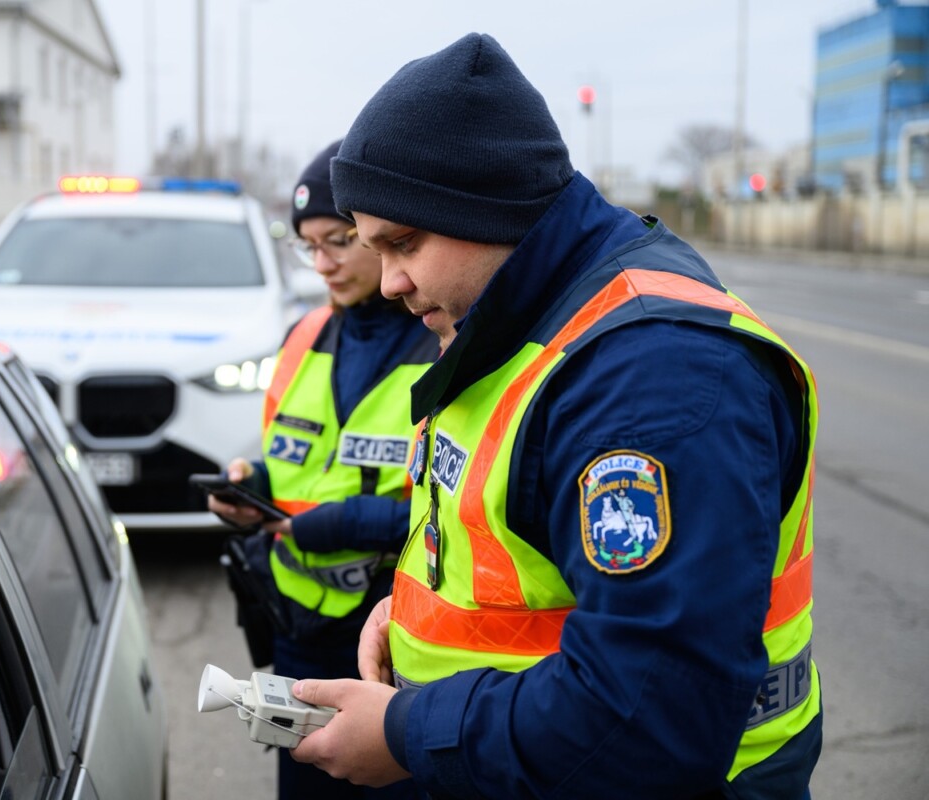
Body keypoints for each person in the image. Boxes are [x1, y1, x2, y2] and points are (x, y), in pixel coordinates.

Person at [289, 33, 822, 799]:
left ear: (483, 204)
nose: (394, 281)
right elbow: (518, 566)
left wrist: (407, 731)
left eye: (403, 243)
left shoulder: (651, 376)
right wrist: (409, 623)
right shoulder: (518, 319)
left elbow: (650, 717)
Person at [208, 139, 439, 800]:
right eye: (306, 245)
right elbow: (290, 463)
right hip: (296, 623)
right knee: (304, 783)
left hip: (391, 631)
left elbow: (467, 503)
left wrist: (359, 523)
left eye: (338, 240)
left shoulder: (443, 337)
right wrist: (253, 491)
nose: (322, 263)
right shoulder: (302, 335)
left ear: (381, 232)